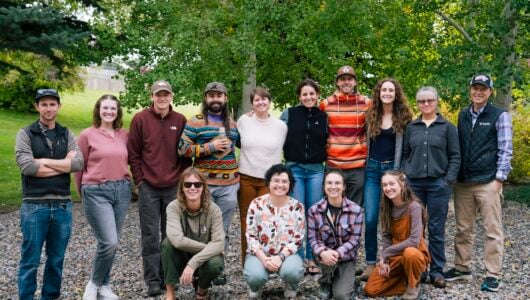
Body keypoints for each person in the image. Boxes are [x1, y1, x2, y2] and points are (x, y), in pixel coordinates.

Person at [445, 74, 513, 292]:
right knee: (463, 229)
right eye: (475, 88)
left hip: (487, 181)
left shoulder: (499, 115)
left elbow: (505, 149)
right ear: (470, 90)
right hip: (463, 182)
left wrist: (499, 179)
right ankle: (462, 268)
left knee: (492, 230)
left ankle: (493, 274)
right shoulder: (463, 114)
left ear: (490, 92)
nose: (478, 92)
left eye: (483, 89)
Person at [15, 88, 83, 299]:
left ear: (59, 106)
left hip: (63, 205)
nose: (48, 108)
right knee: (30, 260)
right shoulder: (25, 133)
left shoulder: (67, 133)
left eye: (52, 104)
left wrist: (43, 161)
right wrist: (64, 164)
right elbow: (27, 167)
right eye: (44, 104)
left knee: (56, 260)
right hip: (35, 206)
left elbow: (78, 163)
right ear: (37, 107)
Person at [127, 80, 191, 296]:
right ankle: (152, 280)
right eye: (158, 95)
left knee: (171, 234)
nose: (162, 98)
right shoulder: (140, 119)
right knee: (149, 235)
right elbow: (133, 153)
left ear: (171, 96)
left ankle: (168, 278)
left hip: (173, 186)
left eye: (166, 94)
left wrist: (180, 179)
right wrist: (140, 181)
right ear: (152, 97)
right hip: (149, 188)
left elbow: (185, 153)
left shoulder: (180, 120)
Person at [178, 81, 239, 285]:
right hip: (204, 185)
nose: (215, 99)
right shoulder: (195, 121)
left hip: (230, 184)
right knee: (203, 229)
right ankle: (199, 267)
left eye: (219, 95)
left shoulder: (232, 123)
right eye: (211, 95)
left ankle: (218, 268)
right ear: (206, 98)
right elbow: (182, 149)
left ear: (225, 98)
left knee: (224, 230)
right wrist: (209, 147)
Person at [402, 86, 461, 288]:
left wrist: (448, 180)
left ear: (437, 101)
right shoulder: (412, 127)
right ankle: (419, 269)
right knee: (416, 229)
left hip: (438, 184)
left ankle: (437, 271)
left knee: (436, 229)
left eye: (430, 100)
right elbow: (404, 154)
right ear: (417, 103)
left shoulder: (447, 128)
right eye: (421, 101)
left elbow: (455, 156)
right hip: (414, 185)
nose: (426, 104)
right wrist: (406, 174)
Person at [74, 95, 131, 300]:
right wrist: (82, 193)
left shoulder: (124, 134)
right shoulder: (87, 135)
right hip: (96, 191)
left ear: (118, 112)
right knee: (109, 241)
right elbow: (78, 168)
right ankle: (94, 283)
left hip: (122, 190)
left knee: (112, 241)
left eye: (113, 108)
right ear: (98, 110)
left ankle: (104, 285)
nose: (109, 112)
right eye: (105, 108)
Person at [361, 77, 413, 280]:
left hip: (394, 170)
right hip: (372, 170)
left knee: (395, 217)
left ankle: (394, 260)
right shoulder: (371, 115)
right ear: (379, 93)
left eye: (391, 90)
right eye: (384, 90)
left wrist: (403, 173)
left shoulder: (404, 117)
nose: (387, 93)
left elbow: (408, 148)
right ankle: (370, 262)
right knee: (371, 217)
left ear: (396, 93)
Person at [280, 79, 328, 275]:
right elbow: (275, 130)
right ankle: (298, 257)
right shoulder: (289, 114)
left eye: (312, 94)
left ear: (317, 95)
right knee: (297, 213)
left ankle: (312, 257)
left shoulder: (324, 116)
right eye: (304, 94)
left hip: (316, 170)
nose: (308, 97)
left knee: (315, 214)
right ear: (299, 96)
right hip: (295, 169)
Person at [237, 87, 287, 262]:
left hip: (269, 180)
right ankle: (248, 260)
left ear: (269, 101)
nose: (260, 102)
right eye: (257, 100)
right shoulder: (244, 121)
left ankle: (266, 260)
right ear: (252, 103)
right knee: (246, 220)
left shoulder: (280, 126)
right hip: (246, 178)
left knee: (266, 220)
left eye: (264, 99)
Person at [364, 171, 430, 300]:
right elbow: (387, 236)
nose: (388, 188)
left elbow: (414, 241)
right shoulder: (386, 206)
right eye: (384, 185)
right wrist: (385, 260)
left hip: (415, 254)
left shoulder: (414, 207)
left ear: (402, 184)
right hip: (395, 256)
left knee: (410, 252)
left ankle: (413, 284)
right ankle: (405, 282)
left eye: (391, 183)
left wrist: (386, 253)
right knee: (371, 289)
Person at [161, 167, 225, 300]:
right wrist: (212, 248)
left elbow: (219, 242)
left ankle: (201, 291)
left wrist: (193, 263)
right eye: (187, 184)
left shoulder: (214, 210)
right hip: (183, 253)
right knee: (167, 244)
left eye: (197, 184)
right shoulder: (173, 207)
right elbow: (177, 240)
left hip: (205, 257)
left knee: (215, 263)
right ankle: (170, 294)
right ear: (182, 188)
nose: (192, 188)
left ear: (203, 187)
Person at [243, 164, 305, 299]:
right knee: (254, 276)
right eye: (276, 181)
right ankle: (256, 286)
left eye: (284, 181)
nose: (280, 185)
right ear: (268, 182)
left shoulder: (297, 207)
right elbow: (251, 235)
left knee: (293, 272)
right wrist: (264, 259)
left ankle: (291, 284)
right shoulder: (256, 204)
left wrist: (280, 257)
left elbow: (298, 239)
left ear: (290, 184)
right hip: (260, 254)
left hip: (286, 255)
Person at [307, 169, 363, 300]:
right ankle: (325, 282)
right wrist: (323, 252)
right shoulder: (314, 210)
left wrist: (337, 253)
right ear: (324, 186)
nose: (333, 187)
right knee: (325, 260)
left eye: (337, 183)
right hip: (323, 256)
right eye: (329, 183)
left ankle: (350, 279)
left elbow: (355, 240)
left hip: (345, 257)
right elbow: (313, 238)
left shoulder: (356, 210)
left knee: (341, 296)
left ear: (344, 187)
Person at [320, 65, 372, 205]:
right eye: (343, 79)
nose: (346, 82)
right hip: (333, 164)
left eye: (350, 79)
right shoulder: (326, 104)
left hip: (357, 165)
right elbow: (310, 116)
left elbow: (385, 114)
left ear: (355, 82)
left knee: (354, 207)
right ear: (337, 82)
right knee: (332, 205)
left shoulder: (366, 103)